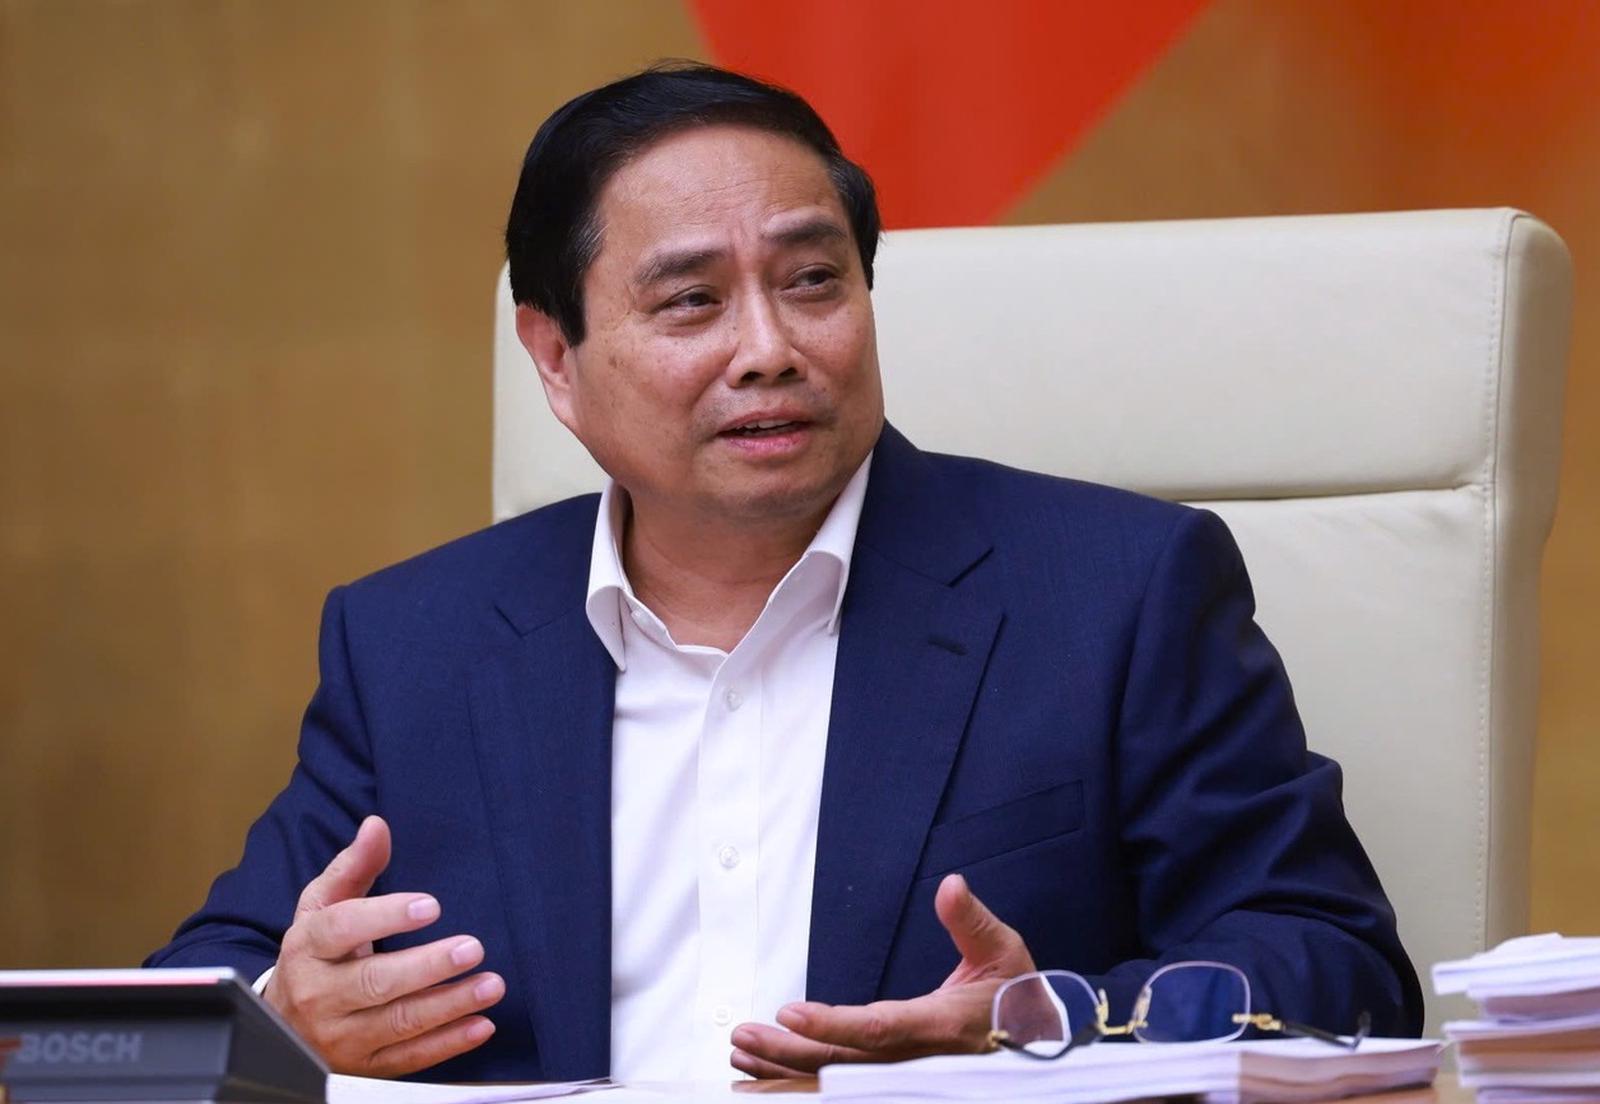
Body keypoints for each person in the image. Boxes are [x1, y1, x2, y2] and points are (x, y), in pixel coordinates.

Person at [146, 63, 1423, 1083]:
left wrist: (1046, 1023)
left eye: (813, 282)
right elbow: (186, 1006)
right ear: (554, 359)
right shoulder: (415, 644)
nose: (768, 347)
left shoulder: (1116, 595)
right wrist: (290, 1018)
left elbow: (1338, 972)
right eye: (690, 303)